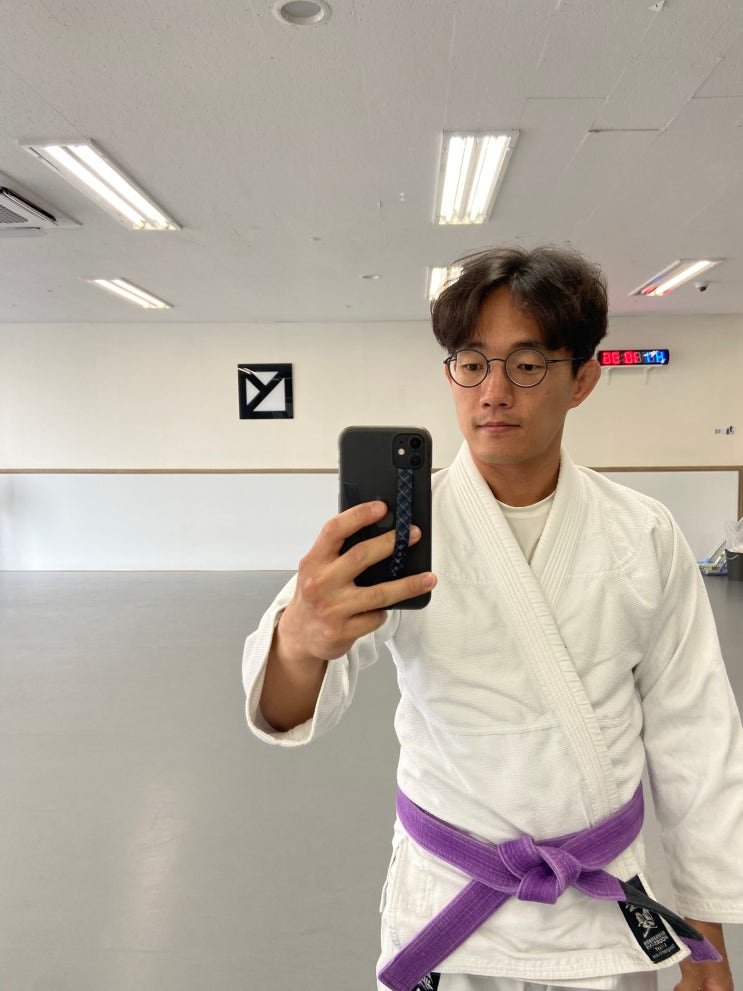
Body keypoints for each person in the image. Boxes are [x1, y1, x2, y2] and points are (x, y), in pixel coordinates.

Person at [242, 245, 743, 991]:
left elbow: (693, 729)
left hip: (603, 916)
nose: (493, 392)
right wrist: (300, 642)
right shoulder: (400, 528)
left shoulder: (642, 533)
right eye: (471, 363)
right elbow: (282, 710)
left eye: (527, 364)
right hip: (449, 909)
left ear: (583, 380)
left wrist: (707, 936)